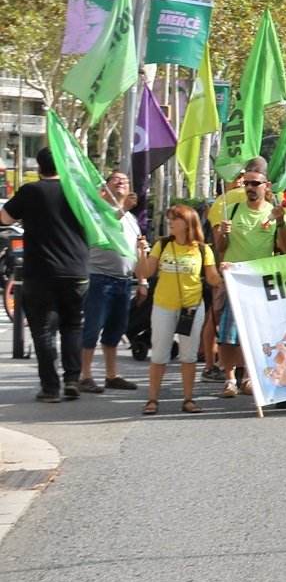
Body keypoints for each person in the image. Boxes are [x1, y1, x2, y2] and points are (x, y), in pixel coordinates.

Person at [2, 146, 92, 401]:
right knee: (73, 326)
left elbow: (5, 218)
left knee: (42, 330)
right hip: (76, 269)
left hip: (40, 272)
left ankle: (51, 387)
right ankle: (73, 379)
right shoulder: (77, 191)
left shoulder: (30, 191)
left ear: (38, 167)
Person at [135, 205, 221, 415]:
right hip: (163, 306)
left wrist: (227, 272)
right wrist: (141, 253)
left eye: (175, 219)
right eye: (170, 219)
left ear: (188, 222)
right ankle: (152, 399)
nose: (171, 223)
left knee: (189, 356)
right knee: (159, 354)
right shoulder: (162, 244)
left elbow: (212, 279)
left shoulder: (203, 249)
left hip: (191, 308)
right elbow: (145, 271)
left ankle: (188, 399)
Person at [212, 164, 286, 398]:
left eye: (255, 183)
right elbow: (221, 248)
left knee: (256, 333)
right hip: (235, 281)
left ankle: (248, 377)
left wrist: (282, 222)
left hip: (261, 283)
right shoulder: (232, 210)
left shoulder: (274, 213)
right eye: (247, 183)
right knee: (227, 335)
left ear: (267, 186)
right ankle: (229, 379)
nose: (250, 188)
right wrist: (222, 234)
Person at [77, 169, 145, 394]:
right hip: (100, 279)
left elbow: (136, 251)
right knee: (92, 328)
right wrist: (123, 208)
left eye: (125, 180)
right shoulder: (98, 212)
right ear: (103, 190)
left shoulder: (132, 219)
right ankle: (85, 375)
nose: (121, 183)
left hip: (124, 282)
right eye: (115, 180)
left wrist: (142, 280)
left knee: (116, 330)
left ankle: (111, 374)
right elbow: (106, 226)